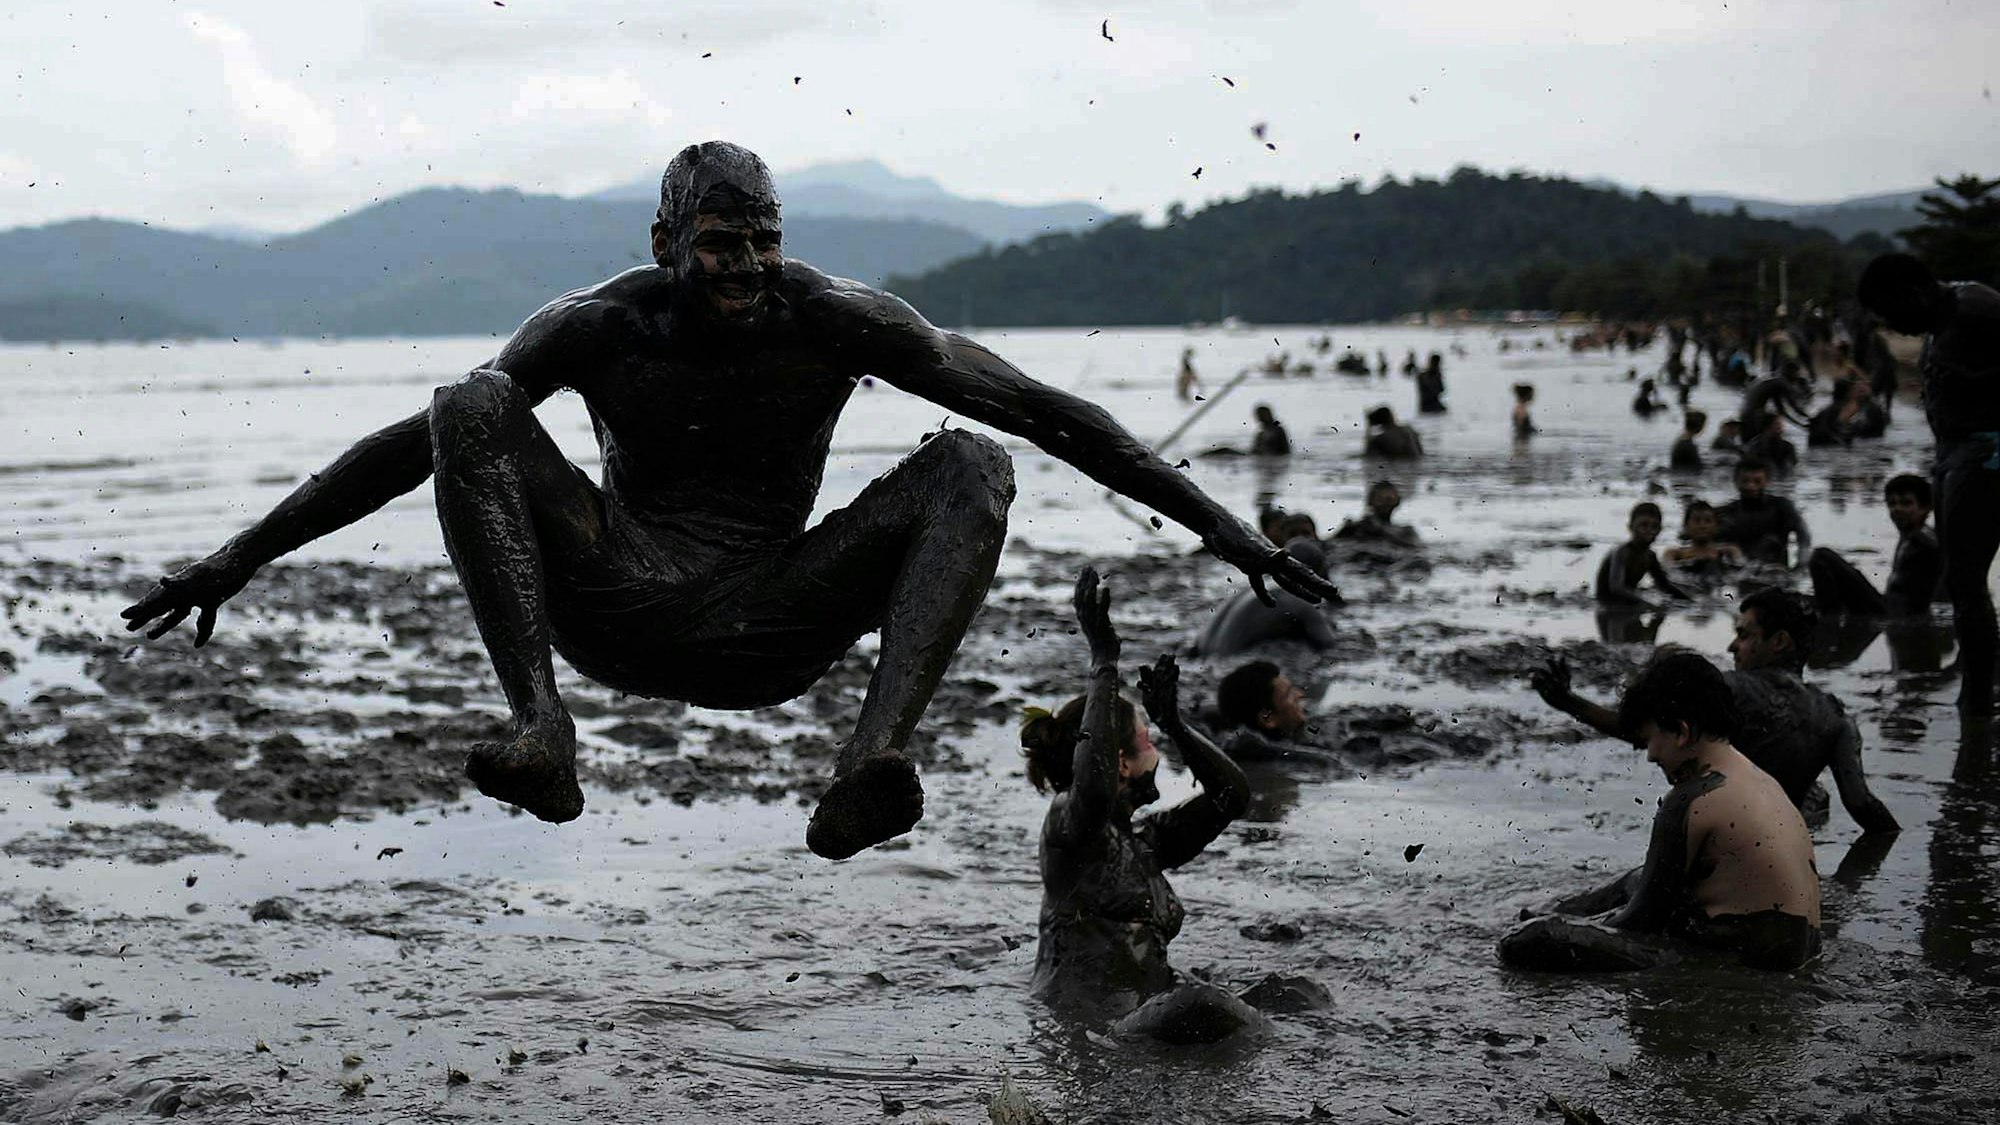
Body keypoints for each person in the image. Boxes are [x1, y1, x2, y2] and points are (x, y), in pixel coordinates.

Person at [117, 141, 1334, 860]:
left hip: (769, 618)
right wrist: (240, 556)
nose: (743, 267)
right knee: (468, 403)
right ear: (663, 241)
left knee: (972, 462)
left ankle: (872, 761)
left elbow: (1049, 413)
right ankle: (541, 733)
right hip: (614, 599)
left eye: (760, 240)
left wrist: (1227, 530)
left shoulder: (839, 320)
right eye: (716, 244)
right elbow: (421, 449)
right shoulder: (594, 328)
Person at [1024, 569, 1261, 1041]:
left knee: (1290, 991)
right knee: (1204, 1002)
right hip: (1091, 1025)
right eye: (1149, 739)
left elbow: (1232, 796)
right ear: (1120, 762)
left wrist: (1174, 723)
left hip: (1137, 1015)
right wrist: (1103, 662)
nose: (1158, 750)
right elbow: (1092, 792)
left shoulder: (1144, 844)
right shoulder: (1069, 827)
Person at [1501, 652, 1822, 972]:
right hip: (1789, 948)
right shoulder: (1760, 780)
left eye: (1650, 740)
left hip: (1740, 962)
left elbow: (1640, 922)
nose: (1651, 756)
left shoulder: (1690, 798)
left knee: (1532, 939)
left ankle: (1537, 918)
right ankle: (1546, 911)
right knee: (1638, 879)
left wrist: (1569, 926)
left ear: (1681, 732)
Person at [1532, 587, 1898, 836]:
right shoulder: (1837, 718)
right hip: (1780, 846)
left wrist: (1568, 702)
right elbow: (1865, 807)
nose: (1732, 645)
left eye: (1743, 635)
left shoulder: (1728, 690)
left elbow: (1641, 729)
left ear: (1779, 642)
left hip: (1716, 840)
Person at [1858, 252, 2000, 718]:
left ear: (1914, 293)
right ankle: (1977, 686)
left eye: (1892, 313)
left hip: (1986, 454)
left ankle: (1978, 699)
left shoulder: (1976, 308)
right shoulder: (1940, 325)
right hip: (1954, 456)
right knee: (1961, 581)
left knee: (1964, 579)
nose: (1894, 327)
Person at [1808, 473, 1945, 619]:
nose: (1897, 509)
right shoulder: (1912, 535)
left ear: (1925, 508)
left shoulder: (1921, 542)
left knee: (1821, 557)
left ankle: (1830, 623)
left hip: (1892, 615)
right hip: (1889, 607)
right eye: (1892, 504)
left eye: (1906, 503)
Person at [1191, 538, 1340, 658]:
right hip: (1230, 662)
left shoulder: (1254, 589)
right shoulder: (1301, 601)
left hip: (1204, 651)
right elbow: (1329, 645)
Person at [1716, 456, 1810, 566]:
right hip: (1738, 570)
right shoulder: (1727, 512)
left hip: (1775, 572)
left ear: (1767, 481)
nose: (1751, 486)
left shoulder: (1782, 507)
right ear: (1735, 481)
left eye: (1757, 481)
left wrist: (1801, 564)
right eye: (1745, 481)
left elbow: (1803, 536)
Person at [1595, 502, 1692, 606]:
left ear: (1660, 530)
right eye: (1643, 525)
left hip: (1627, 604)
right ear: (1631, 527)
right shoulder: (1621, 553)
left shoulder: (1650, 556)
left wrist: (1691, 602)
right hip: (1607, 606)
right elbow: (1616, 587)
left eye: (1654, 526)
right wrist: (1647, 604)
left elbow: (1664, 586)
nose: (1649, 530)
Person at [1662, 500, 1744, 580]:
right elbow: (1667, 572)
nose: (1702, 526)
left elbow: (1742, 571)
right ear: (1686, 526)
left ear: (1716, 526)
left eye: (1707, 521)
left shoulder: (1729, 551)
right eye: (1697, 521)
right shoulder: (1675, 554)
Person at [1332, 480, 1421, 549]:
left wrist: (1380, 532)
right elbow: (1328, 544)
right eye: (1380, 499)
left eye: (1389, 499)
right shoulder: (1356, 527)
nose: (1385, 504)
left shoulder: (1406, 531)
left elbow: (1417, 548)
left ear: (1397, 502)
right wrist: (1345, 530)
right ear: (1370, 501)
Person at [1740, 411, 1798, 477]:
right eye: (1777, 424)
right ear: (1767, 428)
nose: (1781, 427)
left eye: (1781, 424)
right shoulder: (1754, 448)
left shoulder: (1788, 447)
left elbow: (1792, 467)